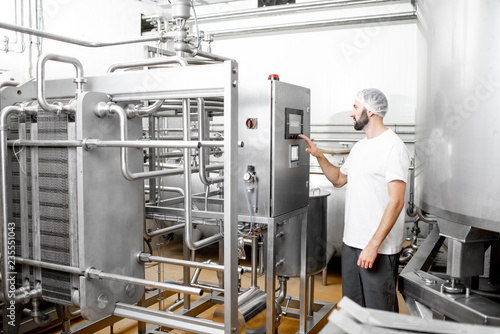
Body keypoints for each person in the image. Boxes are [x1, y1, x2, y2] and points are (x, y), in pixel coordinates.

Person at [299, 88, 410, 312]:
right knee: (353, 311)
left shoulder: (393, 147)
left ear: (371, 111)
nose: (351, 113)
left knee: (379, 316)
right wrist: (319, 155)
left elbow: (396, 202)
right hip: (351, 245)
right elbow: (339, 179)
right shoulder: (359, 147)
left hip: (378, 249)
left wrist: (373, 245)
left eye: (355, 107)